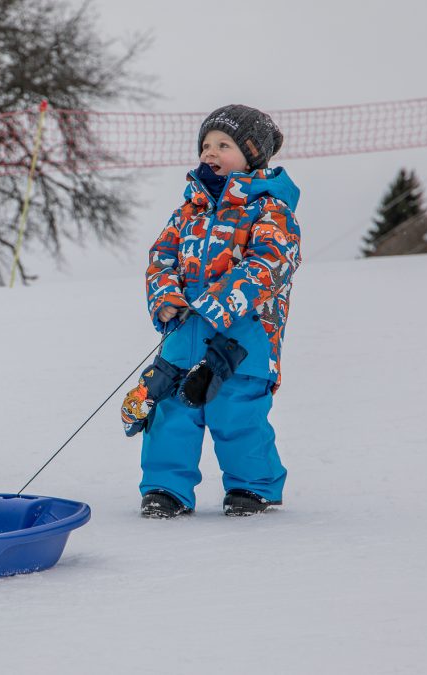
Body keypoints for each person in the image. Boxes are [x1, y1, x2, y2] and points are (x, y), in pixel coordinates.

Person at [121, 104, 302, 518]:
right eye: (206, 145)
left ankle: (252, 487)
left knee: (235, 413)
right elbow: (161, 256)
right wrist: (165, 296)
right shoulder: (189, 210)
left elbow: (270, 263)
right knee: (169, 413)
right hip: (183, 338)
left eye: (224, 144)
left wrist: (215, 304)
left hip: (243, 341)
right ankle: (165, 489)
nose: (210, 152)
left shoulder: (270, 210)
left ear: (253, 154)